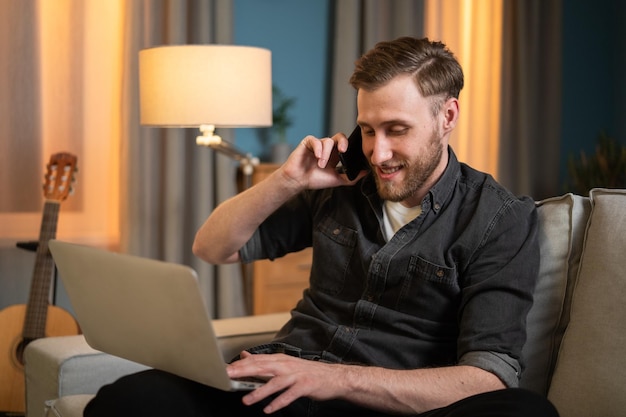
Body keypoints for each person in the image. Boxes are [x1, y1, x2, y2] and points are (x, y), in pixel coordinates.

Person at [84, 37, 559, 417]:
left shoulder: (498, 218)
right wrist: (289, 180)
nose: (378, 153)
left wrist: (335, 379)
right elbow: (213, 247)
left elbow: (489, 377)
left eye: (396, 129)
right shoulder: (340, 185)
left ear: (447, 116)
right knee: (128, 399)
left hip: (385, 404)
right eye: (368, 130)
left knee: (524, 411)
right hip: (284, 390)